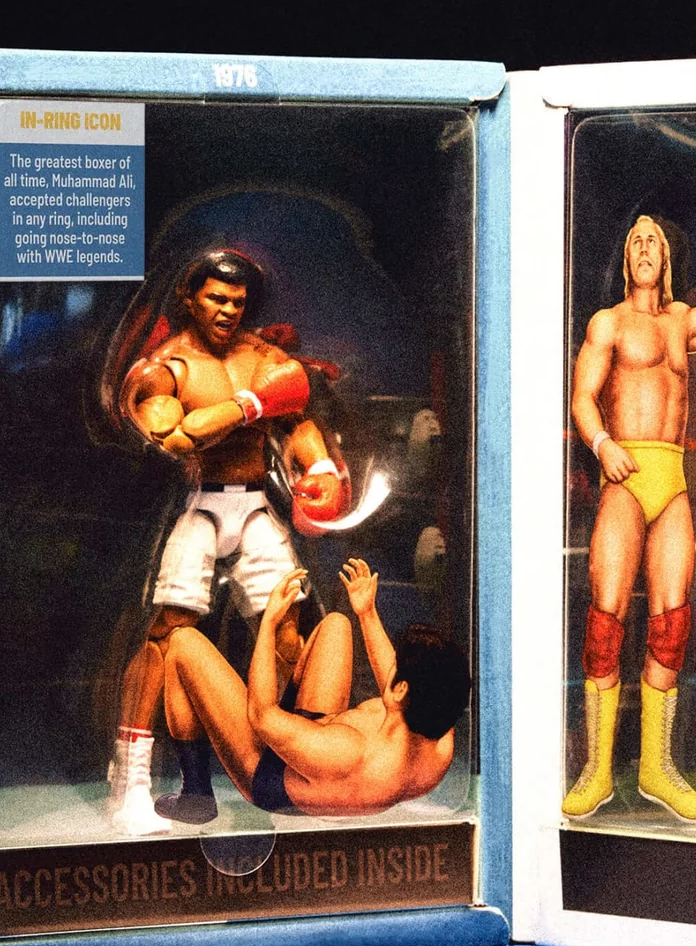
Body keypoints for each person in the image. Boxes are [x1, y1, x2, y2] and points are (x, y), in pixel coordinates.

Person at [108, 248, 346, 834]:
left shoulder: (264, 357)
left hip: (257, 504)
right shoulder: (169, 367)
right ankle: (133, 778)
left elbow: (298, 422)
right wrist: (248, 406)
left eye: (237, 302)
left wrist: (320, 467)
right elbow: (171, 431)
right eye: (216, 298)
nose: (228, 311)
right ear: (189, 299)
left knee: (288, 626)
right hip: (200, 506)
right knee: (167, 632)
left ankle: (285, 759)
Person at [561, 212, 696, 822]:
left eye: (652, 242)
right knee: (605, 619)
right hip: (625, 472)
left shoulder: (681, 319)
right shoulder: (608, 322)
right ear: (626, 257)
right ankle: (596, 770)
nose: (642, 248)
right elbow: (583, 397)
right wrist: (602, 444)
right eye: (634, 240)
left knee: (671, 620)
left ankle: (657, 768)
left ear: (664, 258)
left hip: (672, 476)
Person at [159, 560, 467, 818]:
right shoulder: (438, 742)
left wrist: (269, 622)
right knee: (336, 624)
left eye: (396, 667)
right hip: (313, 747)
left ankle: (195, 796)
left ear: (400, 689)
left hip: (268, 775)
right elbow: (409, 679)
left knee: (184, 643)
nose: (390, 667)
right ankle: (288, 722)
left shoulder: (349, 753)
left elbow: (262, 716)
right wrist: (367, 613)